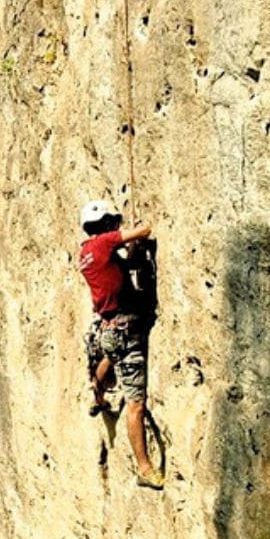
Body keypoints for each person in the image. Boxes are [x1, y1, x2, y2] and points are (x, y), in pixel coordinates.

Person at [77, 199, 164, 490]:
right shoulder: (103, 243)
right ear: (103, 225)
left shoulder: (86, 252)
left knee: (110, 357)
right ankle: (144, 467)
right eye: (112, 222)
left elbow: (120, 268)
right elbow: (143, 230)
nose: (115, 225)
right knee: (136, 405)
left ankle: (96, 393)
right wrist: (138, 233)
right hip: (127, 331)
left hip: (109, 329)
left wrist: (133, 255)